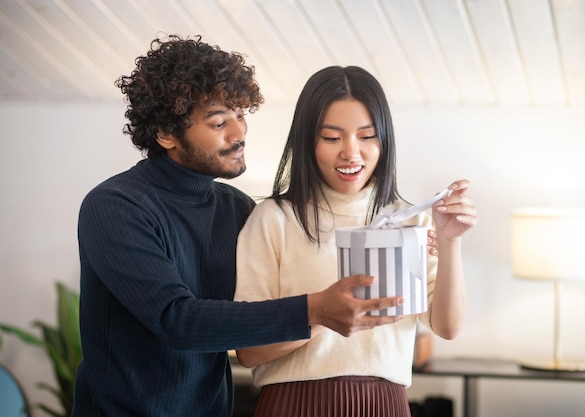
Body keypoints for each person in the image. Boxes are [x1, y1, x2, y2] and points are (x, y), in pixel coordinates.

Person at [72, 36, 405, 417]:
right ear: (166, 134)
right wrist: (316, 309)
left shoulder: (238, 209)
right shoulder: (116, 206)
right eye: (218, 122)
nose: (238, 133)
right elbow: (176, 320)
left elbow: (299, 261)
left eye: (240, 115)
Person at [234, 65, 478, 417]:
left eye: (367, 136)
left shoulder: (413, 222)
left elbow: (448, 327)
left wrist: (450, 240)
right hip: (292, 404)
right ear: (307, 141)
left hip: (385, 405)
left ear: (384, 140)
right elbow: (249, 352)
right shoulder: (273, 219)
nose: (351, 153)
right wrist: (321, 314)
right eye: (332, 138)